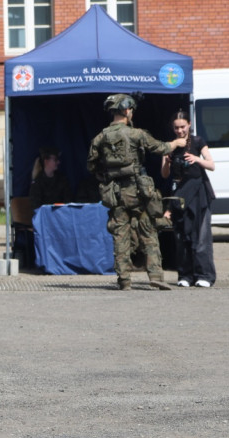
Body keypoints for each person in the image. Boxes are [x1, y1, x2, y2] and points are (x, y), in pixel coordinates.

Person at [87, 94, 186, 291]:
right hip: (139, 192)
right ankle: (156, 275)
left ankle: (124, 280)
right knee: (148, 231)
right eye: (130, 110)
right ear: (125, 111)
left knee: (120, 235)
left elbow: (92, 166)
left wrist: (109, 177)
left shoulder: (100, 138)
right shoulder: (136, 134)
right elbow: (159, 148)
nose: (131, 113)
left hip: (115, 193)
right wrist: (176, 144)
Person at [161, 109, 217, 287]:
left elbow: (211, 165)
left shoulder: (198, 141)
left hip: (199, 193)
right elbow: (164, 175)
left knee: (201, 237)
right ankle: (185, 275)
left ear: (189, 125)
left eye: (183, 127)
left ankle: (204, 275)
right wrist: (167, 161)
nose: (180, 131)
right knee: (182, 236)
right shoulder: (169, 146)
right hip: (180, 195)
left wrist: (196, 159)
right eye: (176, 128)